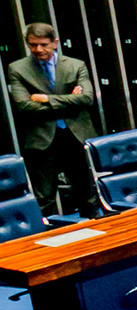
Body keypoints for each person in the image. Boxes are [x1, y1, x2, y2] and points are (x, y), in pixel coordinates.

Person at [6, 22, 99, 215]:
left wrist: (46, 99)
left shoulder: (75, 65)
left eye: (43, 44)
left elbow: (87, 98)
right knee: (45, 198)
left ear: (55, 42)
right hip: (42, 139)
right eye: (33, 45)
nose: (38, 50)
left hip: (76, 135)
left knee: (87, 193)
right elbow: (25, 106)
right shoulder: (17, 69)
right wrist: (70, 100)